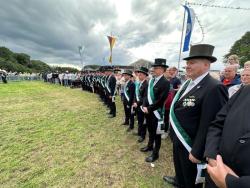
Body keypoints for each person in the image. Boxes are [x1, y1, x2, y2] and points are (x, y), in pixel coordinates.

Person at [164, 44, 228, 188]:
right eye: (187, 63)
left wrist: (198, 151)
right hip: (180, 141)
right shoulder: (189, 83)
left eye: (192, 62)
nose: (187, 66)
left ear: (206, 64)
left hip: (192, 146)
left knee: (190, 181)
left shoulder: (214, 87)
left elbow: (210, 123)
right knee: (181, 174)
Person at [205, 85, 250, 188]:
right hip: (215, 172)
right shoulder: (245, 90)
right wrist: (212, 156)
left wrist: (231, 183)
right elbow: (218, 123)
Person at [140, 58, 170, 162]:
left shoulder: (165, 83)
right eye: (154, 68)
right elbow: (145, 95)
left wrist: (149, 108)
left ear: (162, 70)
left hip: (157, 113)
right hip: (148, 112)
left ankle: (155, 154)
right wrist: (144, 105)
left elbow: (161, 100)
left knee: (157, 134)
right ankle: (149, 146)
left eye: (156, 68)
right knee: (150, 131)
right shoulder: (151, 80)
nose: (154, 70)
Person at [132, 67, 149, 143]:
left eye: (141, 74)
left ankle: (142, 135)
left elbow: (145, 97)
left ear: (145, 76)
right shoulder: (139, 83)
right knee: (139, 120)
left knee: (143, 121)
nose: (139, 76)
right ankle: (139, 132)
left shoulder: (146, 84)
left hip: (142, 106)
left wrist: (137, 103)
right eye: (139, 74)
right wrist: (135, 101)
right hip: (137, 105)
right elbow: (136, 94)